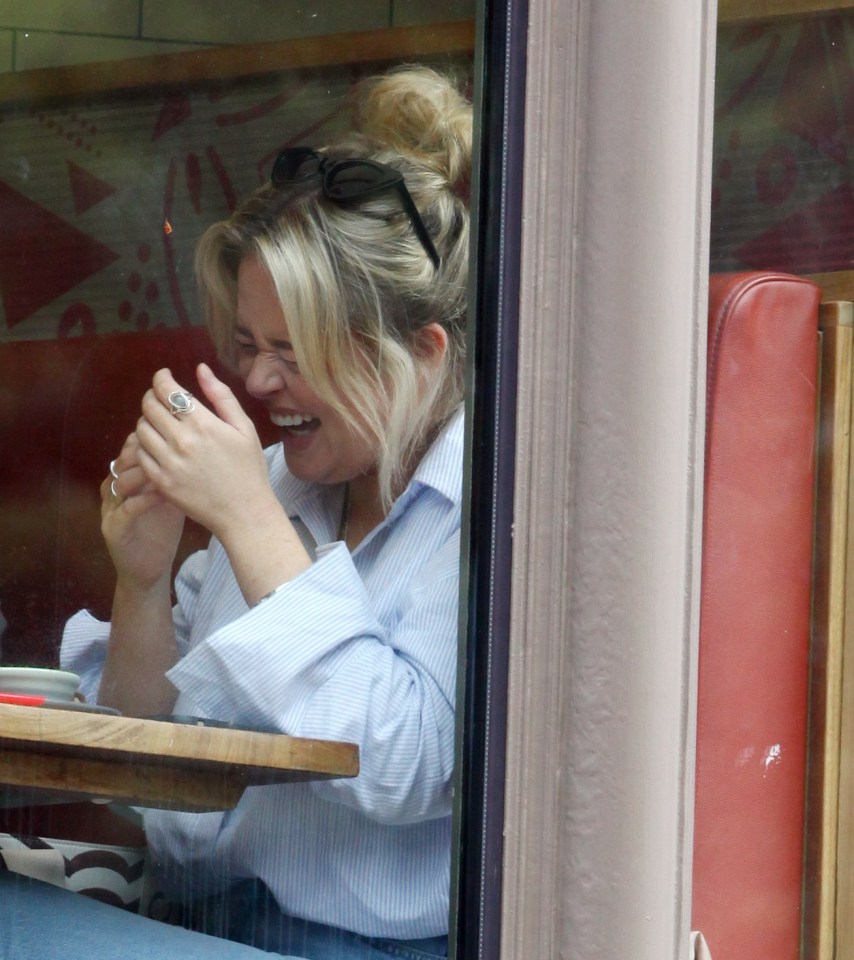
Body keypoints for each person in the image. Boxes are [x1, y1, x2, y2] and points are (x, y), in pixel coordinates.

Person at [50, 64, 470, 960]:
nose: (258, 381)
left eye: (295, 349)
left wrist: (247, 523)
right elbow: (150, 785)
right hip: (203, 919)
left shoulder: (494, 515)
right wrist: (144, 579)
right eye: (246, 345)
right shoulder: (285, 482)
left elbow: (404, 764)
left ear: (422, 356)